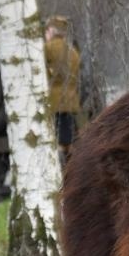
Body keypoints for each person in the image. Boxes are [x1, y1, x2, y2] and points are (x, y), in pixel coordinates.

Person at [43, 15, 81, 170]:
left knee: (58, 141)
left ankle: (61, 171)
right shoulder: (73, 51)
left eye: (46, 31)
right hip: (71, 102)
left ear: (52, 30)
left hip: (54, 103)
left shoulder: (47, 49)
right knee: (71, 141)